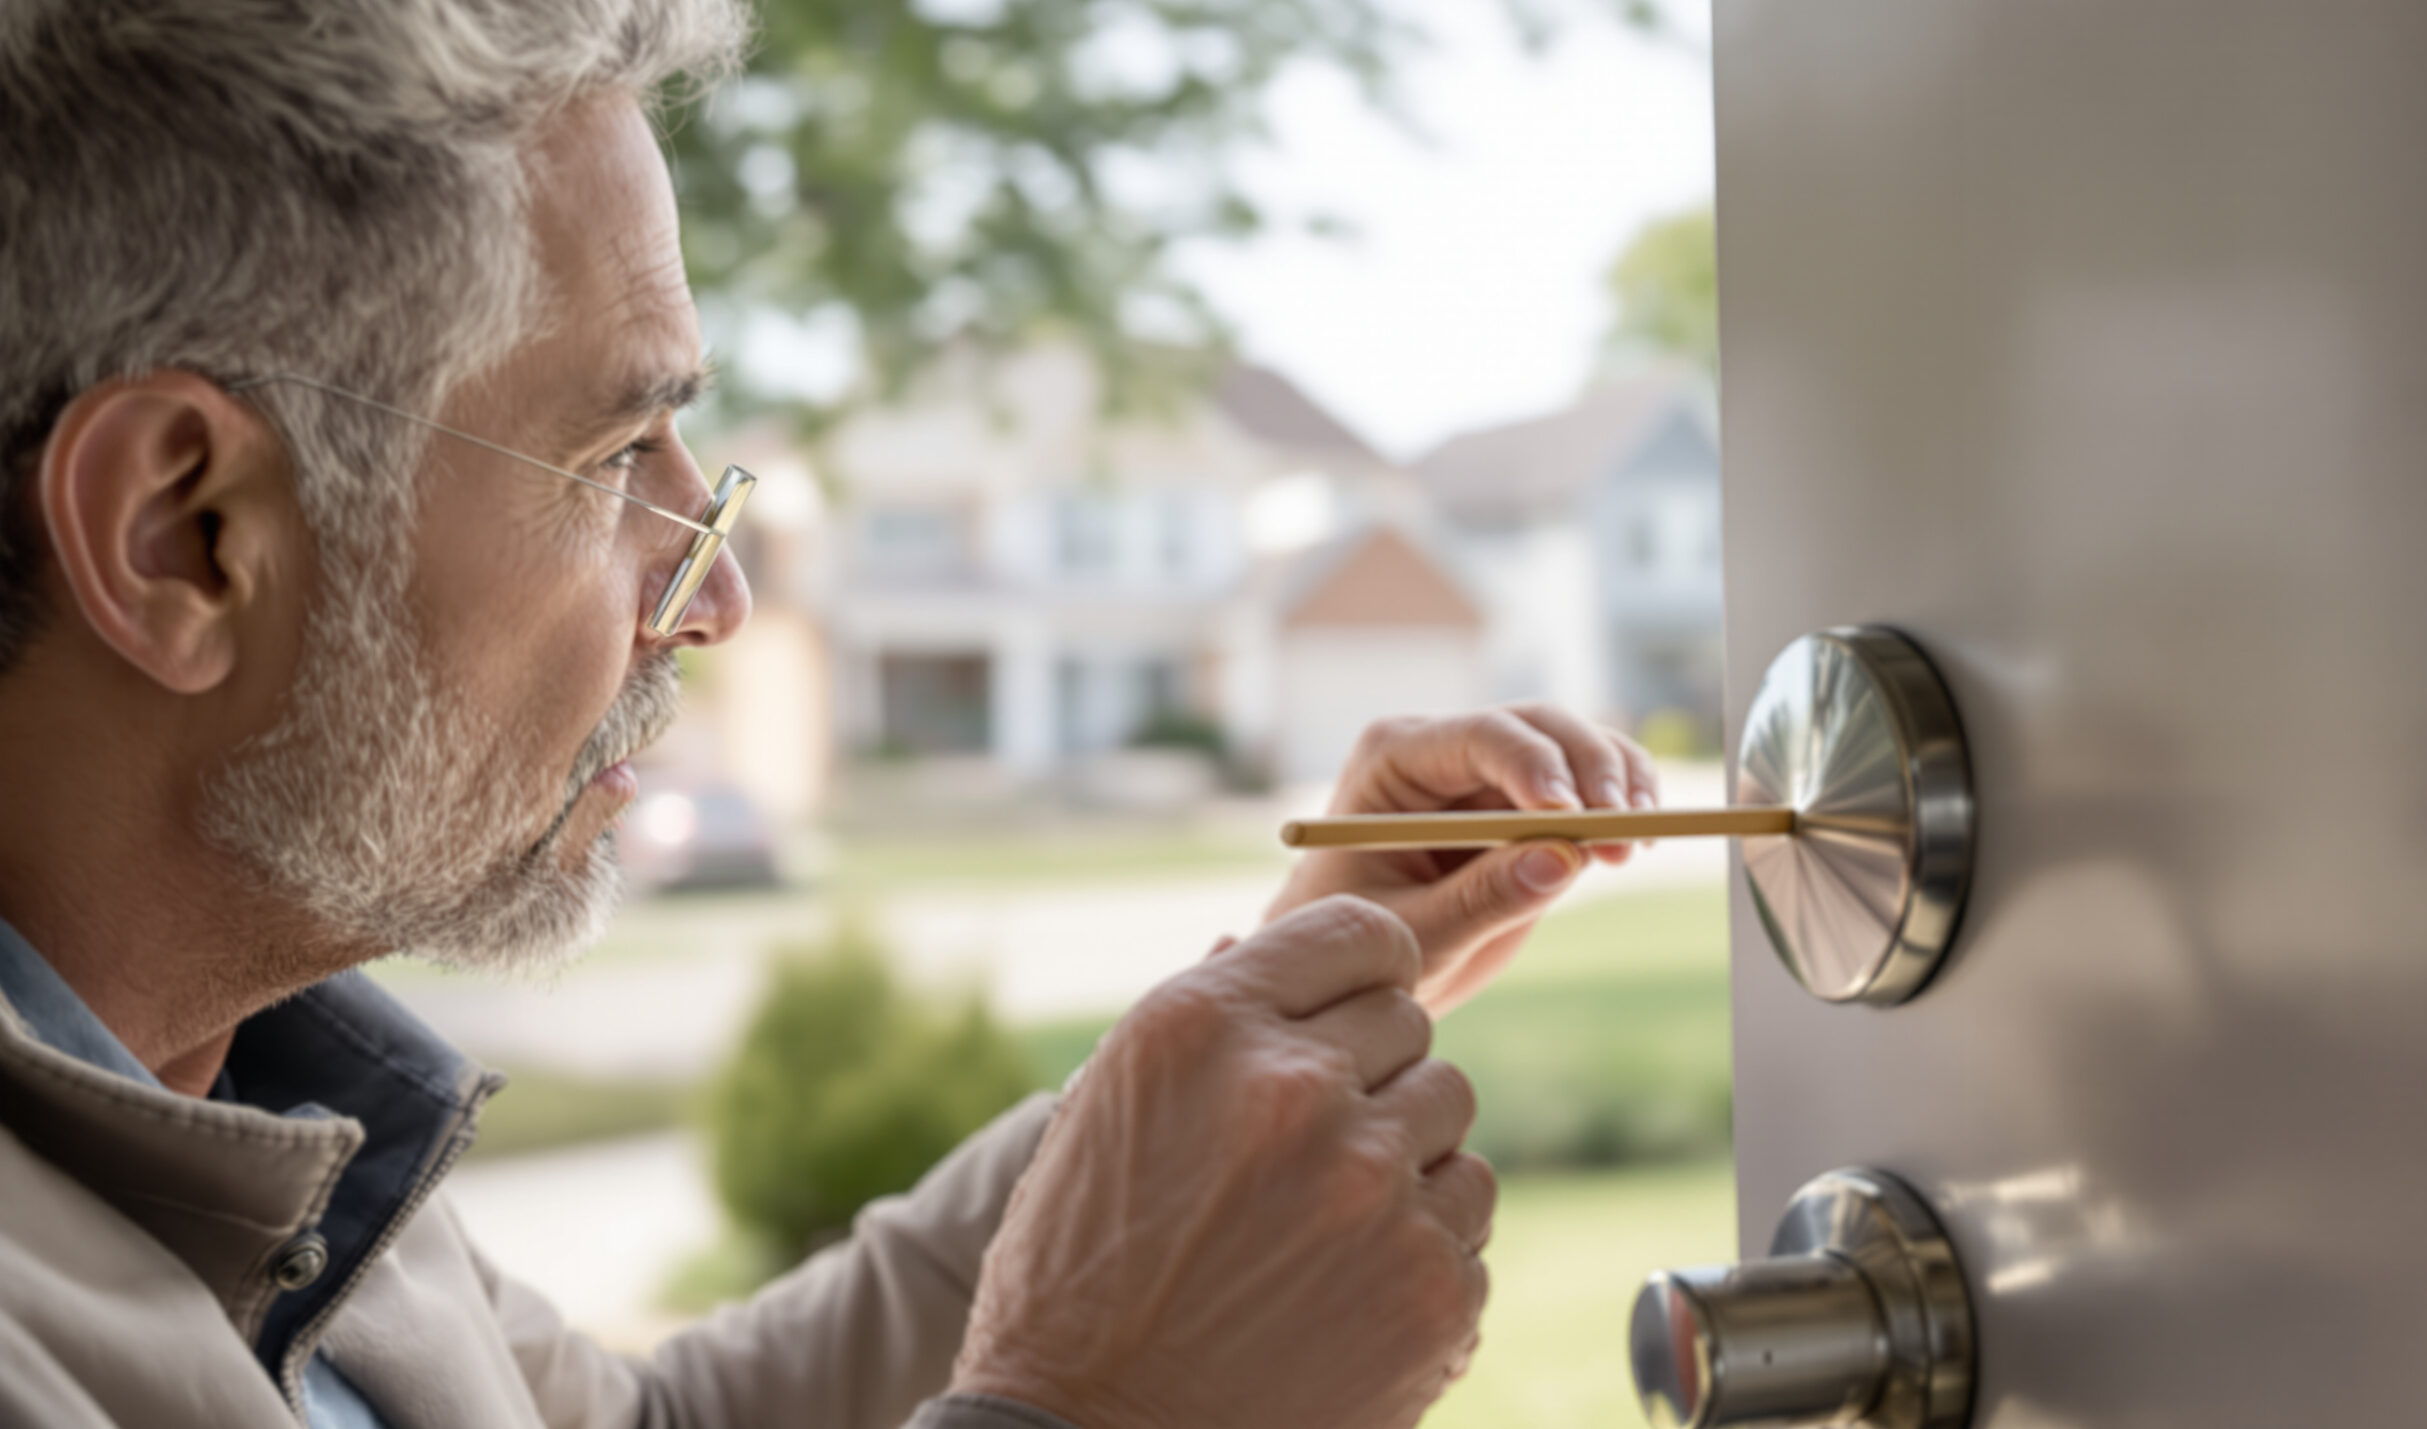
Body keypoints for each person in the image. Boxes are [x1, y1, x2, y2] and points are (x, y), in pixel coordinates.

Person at [0, 2, 1664, 1427]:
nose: (714, 595)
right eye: (603, 463)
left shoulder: (255, 1107)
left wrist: (1230, 1043)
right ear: (186, 533)